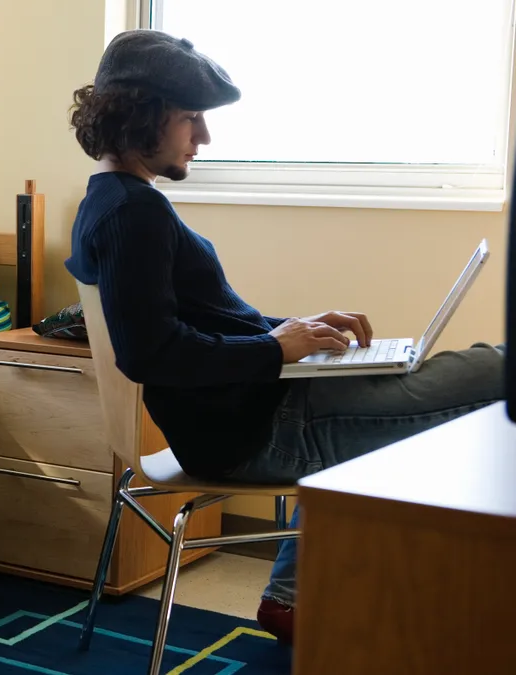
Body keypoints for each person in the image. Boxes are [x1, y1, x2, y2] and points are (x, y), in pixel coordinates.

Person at [63, 29, 505, 645]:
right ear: (141, 115)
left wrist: (295, 330)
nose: (205, 137)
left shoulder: (112, 202)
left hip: (260, 413)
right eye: (192, 118)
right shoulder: (132, 213)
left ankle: (291, 599)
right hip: (261, 430)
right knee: (500, 369)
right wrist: (276, 349)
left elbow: (194, 322)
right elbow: (151, 352)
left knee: (441, 371)